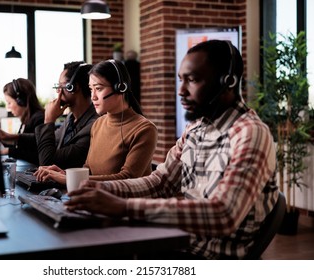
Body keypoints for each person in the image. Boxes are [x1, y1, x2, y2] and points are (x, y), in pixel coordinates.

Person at [64, 40, 279, 260]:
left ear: (228, 82)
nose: (181, 91)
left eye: (192, 80)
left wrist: (124, 207)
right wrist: (101, 189)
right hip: (177, 243)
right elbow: (160, 182)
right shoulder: (195, 129)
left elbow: (224, 214)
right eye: (181, 80)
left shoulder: (250, 134)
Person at [34, 59, 158, 184]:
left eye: (98, 89)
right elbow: (88, 169)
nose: (93, 97)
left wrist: (68, 179)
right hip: (95, 199)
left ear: (120, 87)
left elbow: (128, 178)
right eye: (91, 89)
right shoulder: (98, 124)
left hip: (124, 202)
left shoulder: (145, 129)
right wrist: (64, 173)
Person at [34, 61, 99, 169]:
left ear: (73, 87)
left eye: (60, 86)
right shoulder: (71, 118)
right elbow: (51, 140)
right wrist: (15, 137)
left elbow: (47, 162)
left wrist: (49, 120)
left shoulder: (94, 126)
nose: (58, 91)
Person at [0, 78, 44, 164]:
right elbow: (24, 146)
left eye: (9, 103)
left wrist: (8, 151)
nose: (8, 107)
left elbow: (37, 154)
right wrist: (4, 140)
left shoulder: (39, 118)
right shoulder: (27, 119)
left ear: (21, 101)